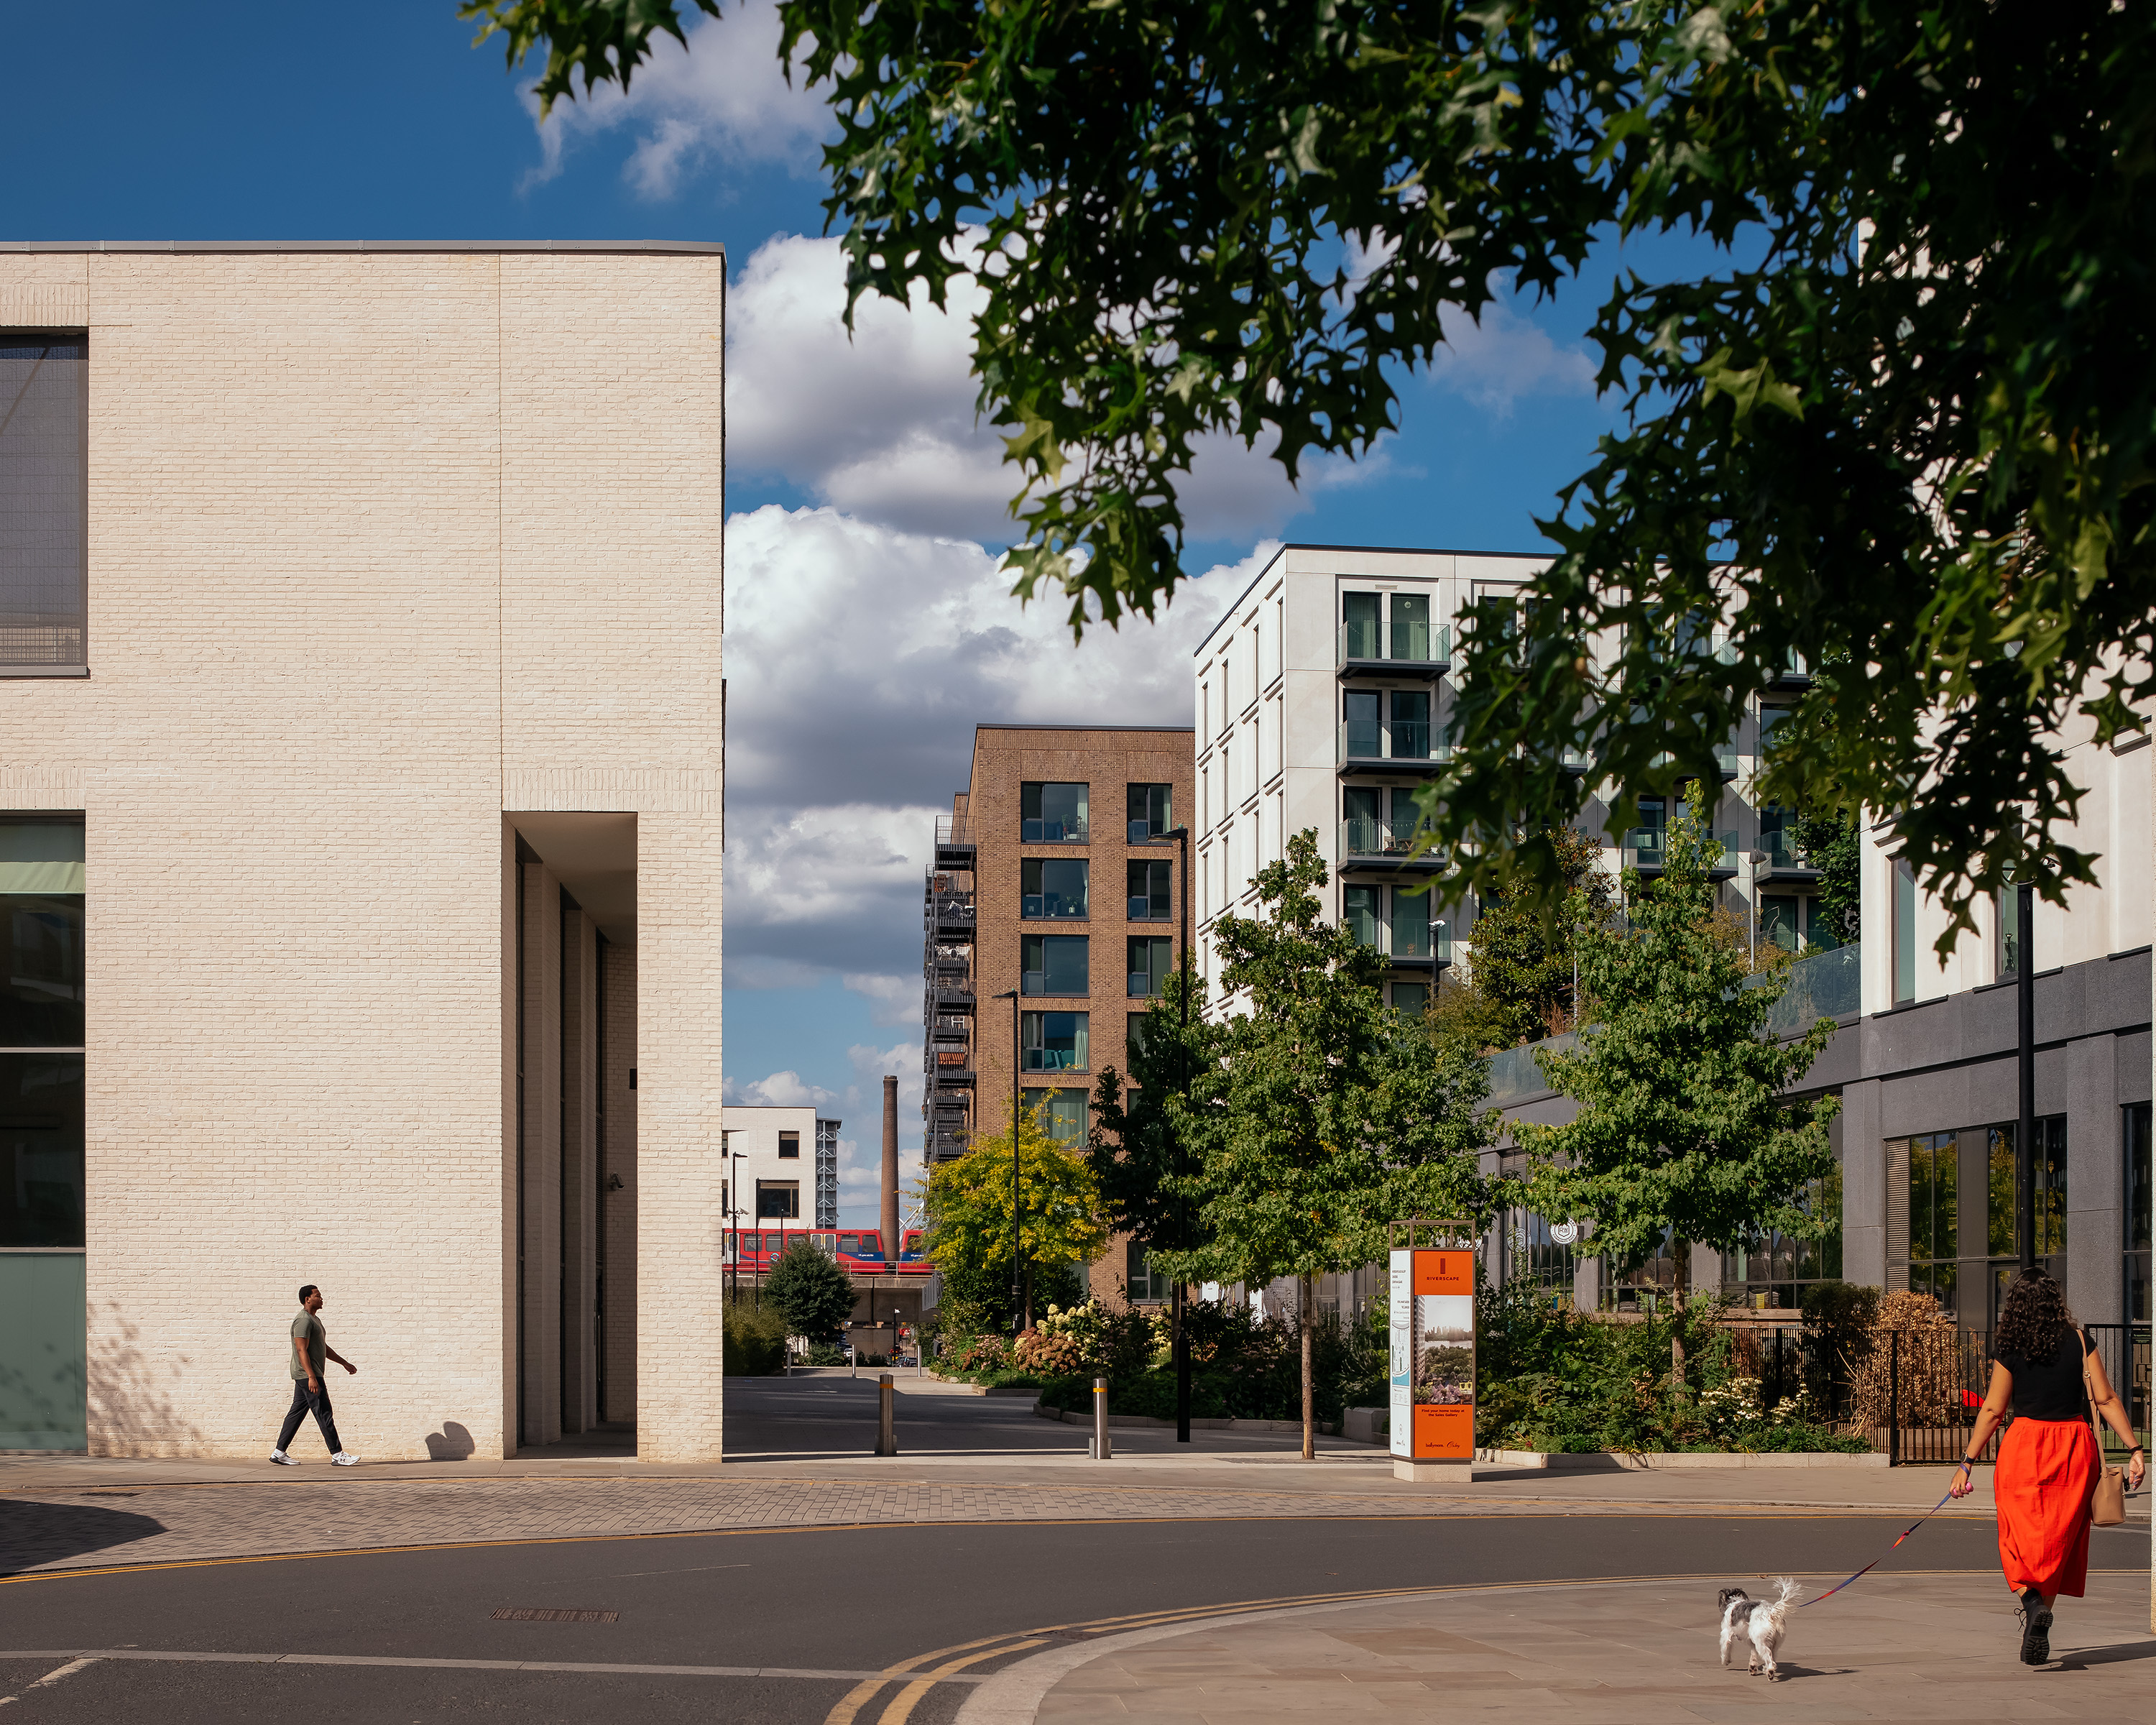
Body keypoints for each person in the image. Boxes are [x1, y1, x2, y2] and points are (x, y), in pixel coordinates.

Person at [1949, 1266, 2143, 1662]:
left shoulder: (2010, 1345)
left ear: (2016, 1304)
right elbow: (2106, 1400)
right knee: (2058, 1542)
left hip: (2024, 1445)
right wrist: (2135, 1449)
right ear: (2056, 1300)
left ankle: (2032, 1602)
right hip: (2074, 1447)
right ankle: (2041, 1614)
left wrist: (1967, 1462)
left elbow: (1992, 1409)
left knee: (2015, 1537)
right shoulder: (2080, 1340)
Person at [271, 1284, 360, 1468]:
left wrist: (344, 1362)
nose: (321, 1298)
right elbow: (301, 1349)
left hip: (310, 1373)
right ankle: (337, 1454)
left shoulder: (314, 1320)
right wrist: (311, 1376)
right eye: (318, 1296)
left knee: (296, 1413)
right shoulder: (303, 1320)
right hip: (308, 1374)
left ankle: (279, 1453)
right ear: (307, 1299)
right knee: (323, 1412)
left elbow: (323, 1348)